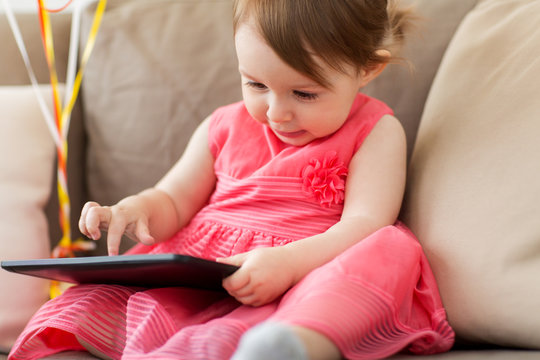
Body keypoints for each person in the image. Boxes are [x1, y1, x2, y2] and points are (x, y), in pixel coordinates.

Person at [9, 0, 454, 359]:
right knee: (83, 306)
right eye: (255, 84)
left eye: (304, 93)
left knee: (383, 249)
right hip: (204, 272)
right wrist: (132, 211)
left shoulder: (376, 130)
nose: (276, 112)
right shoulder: (222, 125)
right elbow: (172, 200)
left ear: (367, 69)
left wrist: (288, 264)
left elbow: (365, 224)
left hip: (309, 268)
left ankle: (296, 346)